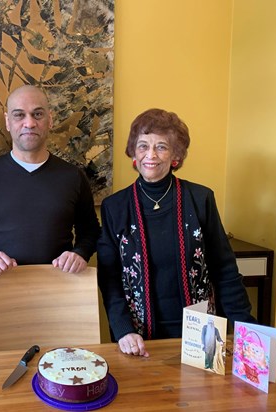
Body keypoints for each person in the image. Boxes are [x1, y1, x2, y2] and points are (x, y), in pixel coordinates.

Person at [97, 108, 256, 357]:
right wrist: (122, 329)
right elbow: (109, 279)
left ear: (175, 155)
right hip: (138, 337)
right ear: (133, 153)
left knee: (205, 396)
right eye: (142, 146)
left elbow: (224, 269)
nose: (150, 155)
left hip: (201, 332)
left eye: (161, 146)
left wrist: (249, 332)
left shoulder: (200, 198)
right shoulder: (114, 207)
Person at [0, 85, 100, 276]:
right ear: (7, 121)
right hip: (0, 288)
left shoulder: (73, 176)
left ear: (50, 119)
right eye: (19, 115)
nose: (29, 123)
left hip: (61, 289)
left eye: (37, 114)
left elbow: (91, 230)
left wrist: (80, 253)